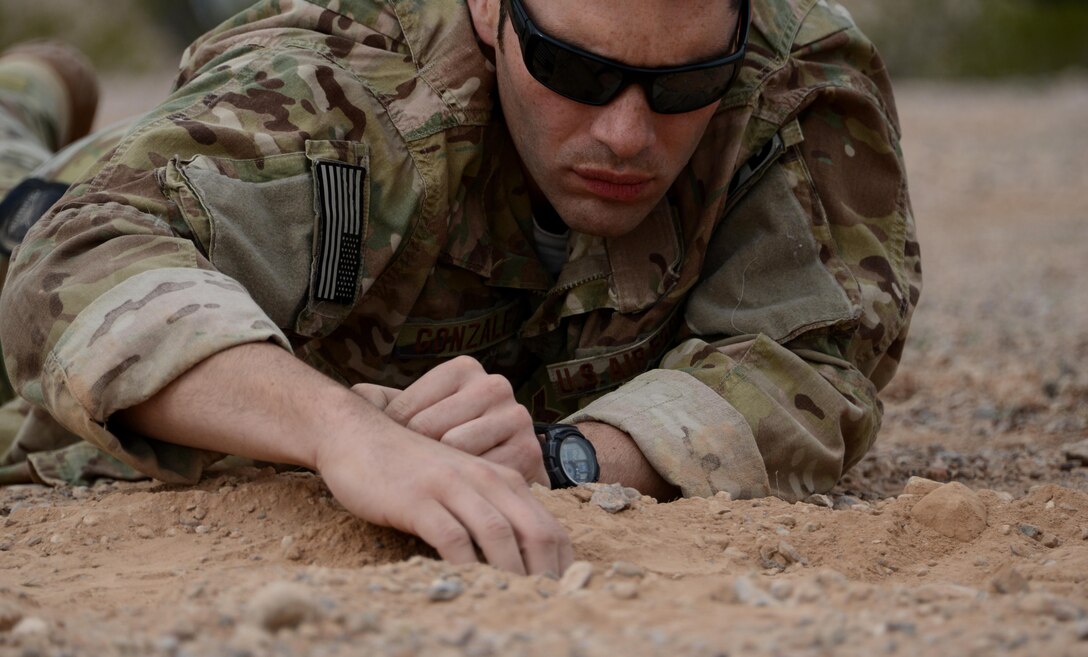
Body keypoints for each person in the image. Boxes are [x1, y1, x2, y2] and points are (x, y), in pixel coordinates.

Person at [0, 0, 920, 576]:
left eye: (686, 82)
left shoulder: (791, 81)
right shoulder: (343, 84)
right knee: (23, 211)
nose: (627, 134)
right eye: (578, 71)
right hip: (125, 206)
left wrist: (574, 455)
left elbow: (819, 351)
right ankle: (21, 102)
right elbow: (75, 261)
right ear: (491, 10)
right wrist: (343, 436)